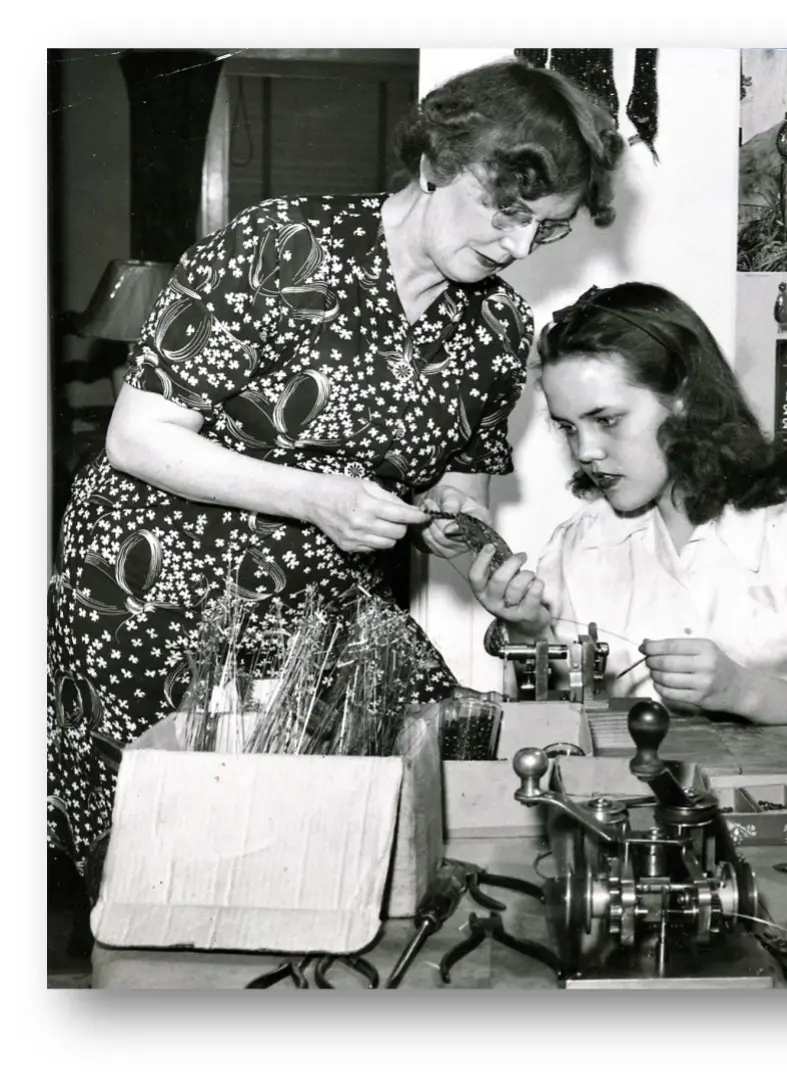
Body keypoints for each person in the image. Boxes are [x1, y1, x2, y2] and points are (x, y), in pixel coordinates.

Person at [48, 58, 626, 875]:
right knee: (166, 846)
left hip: (312, 599)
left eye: (549, 227)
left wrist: (484, 563)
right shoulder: (283, 246)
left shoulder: (497, 330)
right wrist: (318, 497)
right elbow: (139, 436)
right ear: (435, 164)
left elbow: (448, 489)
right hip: (157, 585)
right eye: (506, 211)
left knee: (339, 830)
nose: (521, 244)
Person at [468, 282, 787, 725]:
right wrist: (528, 634)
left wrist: (742, 691)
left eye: (606, 420)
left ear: (682, 397)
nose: (586, 450)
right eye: (568, 427)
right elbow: (562, 726)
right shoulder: (580, 542)